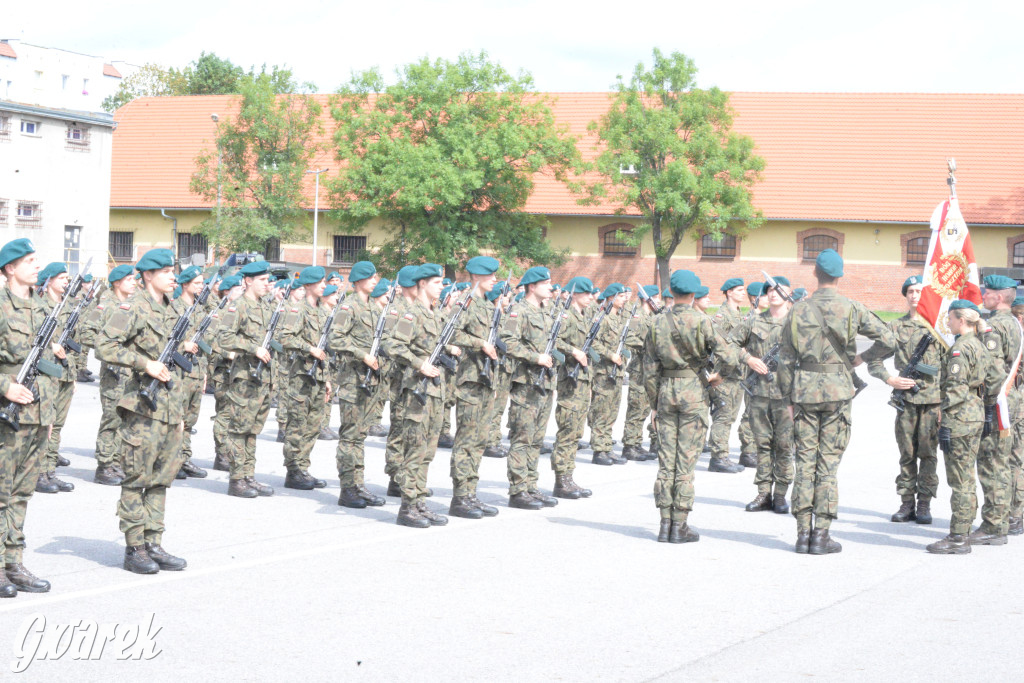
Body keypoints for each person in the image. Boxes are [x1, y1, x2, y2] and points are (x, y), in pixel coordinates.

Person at [777, 249, 894, 554]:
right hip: (838, 392)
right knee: (827, 466)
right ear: (840, 275)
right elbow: (890, 340)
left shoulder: (798, 310)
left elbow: (785, 359)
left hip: (803, 392)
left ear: (815, 274)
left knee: (804, 463)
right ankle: (822, 535)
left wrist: (788, 397)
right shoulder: (852, 308)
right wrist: (860, 358)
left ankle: (802, 534)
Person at [95, 248, 191, 574]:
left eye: (173, 271)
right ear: (148, 275)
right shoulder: (132, 306)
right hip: (141, 406)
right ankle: (134, 547)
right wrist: (144, 363)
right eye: (165, 271)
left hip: (169, 407)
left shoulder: (175, 307)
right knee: (137, 478)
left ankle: (154, 542)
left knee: (161, 479)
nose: (172, 276)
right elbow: (105, 346)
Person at [644, 270, 739, 543]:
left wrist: (654, 404)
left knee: (666, 462)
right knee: (685, 462)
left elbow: (649, 370)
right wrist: (719, 376)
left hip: (665, 393)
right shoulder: (703, 321)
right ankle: (680, 524)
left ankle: (664, 523)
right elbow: (730, 357)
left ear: (671, 294)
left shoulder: (656, 323)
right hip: (694, 393)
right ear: (694, 294)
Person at [0, 238, 56, 596]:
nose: (37, 266)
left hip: (37, 414)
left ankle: (13, 562)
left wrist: (48, 417)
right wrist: (4, 386)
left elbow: (44, 367)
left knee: (21, 493)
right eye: (30, 261)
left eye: (37, 260)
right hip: (8, 414)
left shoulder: (41, 307)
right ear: (9, 269)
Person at [927, 300, 1005, 554]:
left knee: (960, 480)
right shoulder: (981, 345)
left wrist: (945, 421)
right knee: (967, 478)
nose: (947, 322)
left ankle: (958, 537)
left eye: (950, 318)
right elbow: (995, 379)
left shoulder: (960, 348)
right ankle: (964, 528)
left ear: (961, 320)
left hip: (959, 419)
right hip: (975, 415)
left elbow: (955, 390)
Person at [867, 275, 942, 524]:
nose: (914, 295)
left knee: (929, 454)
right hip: (907, 401)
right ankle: (906, 502)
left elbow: (953, 368)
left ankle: (924, 504)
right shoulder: (895, 328)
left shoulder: (939, 328)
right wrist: (890, 380)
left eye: (919, 291)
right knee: (907, 453)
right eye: (910, 291)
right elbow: (874, 359)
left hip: (932, 402)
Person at [382, 263, 450, 527]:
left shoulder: (434, 314)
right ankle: (408, 507)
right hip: (416, 391)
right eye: (437, 283)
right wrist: (418, 362)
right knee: (414, 449)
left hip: (435, 391)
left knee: (427, 452)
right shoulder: (411, 314)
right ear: (422, 284)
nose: (441, 287)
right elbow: (392, 345)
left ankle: (419, 502)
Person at [730, 275, 795, 512]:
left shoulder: (799, 323)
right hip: (758, 393)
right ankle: (763, 493)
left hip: (787, 396)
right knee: (763, 445)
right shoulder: (754, 322)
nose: (773, 293)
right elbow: (728, 343)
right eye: (769, 290)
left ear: (790, 294)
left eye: (779, 289)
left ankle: (780, 495)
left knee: (785, 445)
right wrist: (749, 359)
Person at [499, 266, 561, 509]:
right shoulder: (519, 311)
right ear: (532, 287)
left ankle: (531, 486)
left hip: (545, 382)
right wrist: (534, 357)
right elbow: (507, 341)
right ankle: (517, 490)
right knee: (522, 437)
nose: (551, 287)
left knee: (537, 438)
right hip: (526, 382)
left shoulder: (547, 311)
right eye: (546, 283)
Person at [215, 262, 277, 498]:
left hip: (262, 378)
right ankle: (236, 478)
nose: (267, 284)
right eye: (263, 280)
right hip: (244, 378)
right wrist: (252, 348)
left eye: (268, 280)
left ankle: (248, 475)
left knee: (252, 430)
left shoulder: (266, 307)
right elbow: (224, 338)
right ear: (249, 280)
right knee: (239, 429)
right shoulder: (238, 306)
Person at [329, 261, 388, 509]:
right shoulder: (349, 306)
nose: (374, 280)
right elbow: (335, 338)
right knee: (350, 436)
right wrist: (361, 354)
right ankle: (347, 488)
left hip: (370, 381)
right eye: (370, 277)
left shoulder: (373, 309)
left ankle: (358, 484)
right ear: (358, 281)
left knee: (360, 436)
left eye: (375, 277)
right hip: (353, 380)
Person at [447, 257, 502, 518]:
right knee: (467, 440)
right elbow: (451, 333)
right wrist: (480, 343)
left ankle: (471, 493)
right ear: (477, 277)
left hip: (486, 380)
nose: (495, 280)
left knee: (480, 440)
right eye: (490, 275)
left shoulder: (488, 305)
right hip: (470, 380)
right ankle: (460, 497)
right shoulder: (465, 302)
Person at [970, 274, 1023, 545]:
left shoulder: (993, 327)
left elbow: (990, 370)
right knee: (1003, 463)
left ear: (999, 297)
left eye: (987, 292)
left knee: (991, 464)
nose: (983, 295)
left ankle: (993, 525)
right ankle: (1000, 522)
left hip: (996, 401)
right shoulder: (1014, 322)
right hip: (1011, 398)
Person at [79, 264, 135, 486]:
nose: (134, 282)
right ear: (117, 282)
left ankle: (117, 462)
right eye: (129, 279)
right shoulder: (105, 305)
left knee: (126, 419)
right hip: (114, 372)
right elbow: (86, 332)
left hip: (131, 370)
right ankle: (104, 466)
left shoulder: (131, 305)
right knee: (112, 418)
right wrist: (108, 350)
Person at [278, 266, 330, 490]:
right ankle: (293, 470)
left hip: (317, 376)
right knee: (297, 424)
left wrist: (326, 378)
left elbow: (326, 348)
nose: (324, 286)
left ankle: (303, 467)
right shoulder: (297, 310)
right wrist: (308, 348)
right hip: (300, 375)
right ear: (308, 285)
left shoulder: (323, 312)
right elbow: (285, 337)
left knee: (313, 425)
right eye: (319, 282)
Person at [550, 277, 596, 498]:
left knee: (576, 431)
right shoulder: (566, 315)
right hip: (569, 379)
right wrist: (573, 351)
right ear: (575, 293)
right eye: (585, 293)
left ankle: (569, 477)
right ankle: (561, 480)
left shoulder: (585, 316)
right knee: (567, 429)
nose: (590, 297)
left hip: (582, 380)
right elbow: (553, 339)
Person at [35, 262, 76, 494]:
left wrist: (74, 375)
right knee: (46, 425)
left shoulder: (68, 306)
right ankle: (39, 472)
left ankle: (50, 471)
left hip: (65, 372)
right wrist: (52, 345)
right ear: (49, 280)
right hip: (46, 372)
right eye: (61, 278)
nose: (65, 282)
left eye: (67, 278)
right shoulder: (41, 306)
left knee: (57, 425)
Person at [171, 266, 209, 480]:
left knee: (189, 420)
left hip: (195, 370)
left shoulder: (199, 310)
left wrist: (203, 373)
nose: (200, 287)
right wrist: (181, 345)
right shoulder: (174, 308)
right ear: (185, 284)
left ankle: (184, 458)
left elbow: (204, 344)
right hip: (177, 371)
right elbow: (161, 340)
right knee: (177, 419)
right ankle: (172, 459)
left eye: (202, 283)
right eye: (197, 283)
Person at [588, 283, 629, 465]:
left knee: (612, 411)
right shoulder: (602, 318)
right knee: (601, 411)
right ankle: (599, 450)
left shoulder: (619, 319)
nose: (624, 299)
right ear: (611, 298)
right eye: (620, 296)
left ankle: (606, 447)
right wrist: (610, 354)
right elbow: (592, 343)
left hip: (617, 372)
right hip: (603, 372)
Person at [621, 284, 660, 462]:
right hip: (639, 369)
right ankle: (630, 446)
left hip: (649, 370)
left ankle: (636, 443)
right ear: (647, 299)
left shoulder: (652, 317)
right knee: (636, 407)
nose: (658, 301)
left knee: (644, 407)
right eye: (656, 297)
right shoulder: (637, 316)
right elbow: (629, 338)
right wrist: (648, 345)